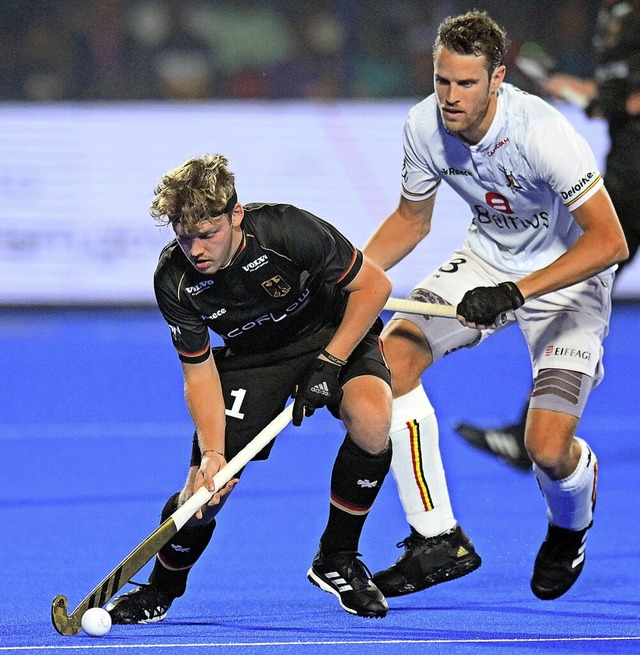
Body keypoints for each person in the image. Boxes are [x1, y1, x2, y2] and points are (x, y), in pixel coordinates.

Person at [363, 10, 628, 601]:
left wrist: (516, 294)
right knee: (392, 357)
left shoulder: (542, 133)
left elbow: (610, 243)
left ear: (498, 79)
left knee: (546, 448)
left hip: (568, 281)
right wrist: (353, 274)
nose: (450, 98)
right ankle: (436, 536)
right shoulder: (423, 126)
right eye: (442, 81)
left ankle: (569, 531)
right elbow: (412, 220)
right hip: (485, 263)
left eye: (466, 84)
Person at [106, 153, 394, 621]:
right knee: (203, 496)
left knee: (372, 417)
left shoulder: (289, 231)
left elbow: (374, 287)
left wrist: (330, 362)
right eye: (183, 237)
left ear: (235, 215)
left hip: (331, 332)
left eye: (207, 234)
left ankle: (337, 557)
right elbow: (198, 373)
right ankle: (160, 589)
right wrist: (213, 453)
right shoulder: (174, 281)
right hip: (252, 359)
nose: (195, 250)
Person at [454, 0, 640, 472]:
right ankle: (529, 431)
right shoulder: (618, 39)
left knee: (574, 287)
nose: (609, 20)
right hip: (626, 180)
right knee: (577, 294)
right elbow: (614, 98)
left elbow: (626, 100)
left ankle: (527, 435)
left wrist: (597, 99)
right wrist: (571, 89)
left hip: (632, 185)